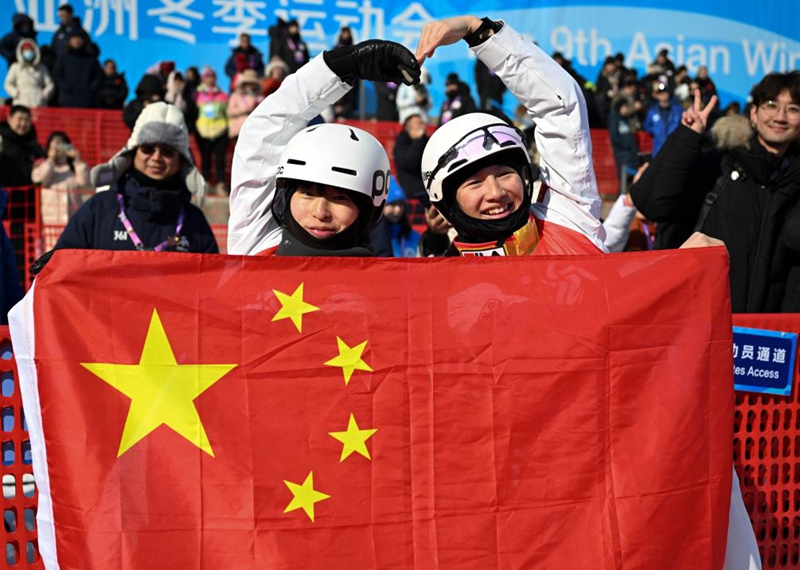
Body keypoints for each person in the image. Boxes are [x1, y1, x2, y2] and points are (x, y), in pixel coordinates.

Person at [416, 17, 761, 570]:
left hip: (632, 450)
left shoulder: (568, 220)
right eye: (473, 183)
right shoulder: (434, 285)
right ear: (445, 197)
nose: (496, 193)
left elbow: (559, 107)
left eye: (503, 174)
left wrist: (480, 32)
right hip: (525, 480)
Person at [227, 40, 421, 257]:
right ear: (285, 195)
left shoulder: (380, 283)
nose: (320, 213)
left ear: (368, 208)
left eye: (339, 198)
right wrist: (339, 66)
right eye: (307, 194)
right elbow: (262, 133)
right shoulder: (256, 244)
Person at [631, 76, 800, 313]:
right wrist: (686, 138)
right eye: (771, 105)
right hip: (704, 323)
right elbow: (651, 203)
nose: (780, 117)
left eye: (793, 109)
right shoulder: (718, 163)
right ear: (753, 113)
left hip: (770, 336)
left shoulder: (795, 182)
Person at [51, 102, 216, 254]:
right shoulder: (100, 207)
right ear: (132, 153)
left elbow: (212, 280)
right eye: (147, 148)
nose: (156, 157)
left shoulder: (194, 220)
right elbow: (62, 266)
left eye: (167, 151)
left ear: (181, 161)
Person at [32, 131, 90, 225]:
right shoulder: (42, 165)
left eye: (62, 144)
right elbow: (41, 180)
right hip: (50, 223)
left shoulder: (73, 169)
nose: (59, 148)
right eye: (55, 144)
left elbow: (84, 183)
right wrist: (51, 160)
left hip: (72, 221)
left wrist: (78, 160)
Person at [194, 66, 229, 193]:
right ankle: (206, 183)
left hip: (220, 130)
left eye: (212, 76)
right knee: (205, 159)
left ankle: (220, 184)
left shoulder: (222, 95)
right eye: (207, 76)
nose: (210, 79)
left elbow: (227, 113)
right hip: (203, 131)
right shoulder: (197, 94)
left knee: (220, 159)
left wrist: (227, 129)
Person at [52, 30, 103, 108]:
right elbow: (57, 75)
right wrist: (65, 87)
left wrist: (90, 89)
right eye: (74, 38)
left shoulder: (90, 58)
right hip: (67, 100)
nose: (77, 41)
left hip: (87, 101)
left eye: (79, 38)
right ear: (69, 41)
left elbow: (98, 76)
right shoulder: (63, 57)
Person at [0, 105, 44, 188]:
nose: (23, 123)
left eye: (27, 120)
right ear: (10, 119)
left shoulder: (33, 142)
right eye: (19, 119)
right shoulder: (1, 139)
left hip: (28, 194)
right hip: (5, 192)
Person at [3, 39, 54, 108]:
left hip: (39, 104)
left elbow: (50, 84)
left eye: (31, 50)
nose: (29, 52)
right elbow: (8, 84)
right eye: (26, 50)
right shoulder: (15, 67)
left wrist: (45, 94)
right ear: (21, 52)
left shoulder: (42, 68)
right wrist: (16, 93)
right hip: (21, 104)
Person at [393, 111, 429, 201]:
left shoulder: (426, 141)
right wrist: (418, 140)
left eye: (422, 123)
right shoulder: (401, 143)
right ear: (408, 127)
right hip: (411, 194)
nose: (422, 127)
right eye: (418, 124)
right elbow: (410, 163)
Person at [642, 80, 682, 155]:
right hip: (658, 147)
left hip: (674, 147)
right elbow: (646, 126)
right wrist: (655, 130)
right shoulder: (652, 111)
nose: (662, 95)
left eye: (664, 93)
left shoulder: (677, 110)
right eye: (660, 93)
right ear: (657, 96)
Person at [227, 70, 263, 140]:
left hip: (256, 129)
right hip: (239, 129)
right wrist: (245, 110)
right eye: (248, 83)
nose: (250, 85)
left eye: (252, 83)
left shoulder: (260, 97)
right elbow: (230, 111)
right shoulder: (236, 95)